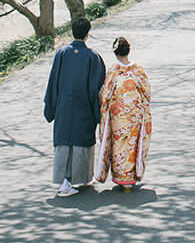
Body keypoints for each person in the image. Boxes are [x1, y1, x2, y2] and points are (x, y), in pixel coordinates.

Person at [43, 16, 106, 197]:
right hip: (83, 106)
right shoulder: (93, 57)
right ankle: (69, 181)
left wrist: (51, 105)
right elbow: (98, 88)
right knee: (81, 140)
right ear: (87, 34)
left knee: (65, 140)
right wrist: (99, 113)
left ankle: (71, 180)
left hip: (64, 106)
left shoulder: (62, 53)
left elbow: (53, 81)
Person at [95, 36, 152, 191]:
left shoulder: (113, 71)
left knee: (119, 146)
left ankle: (121, 177)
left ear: (115, 53)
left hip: (118, 116)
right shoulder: (138, 70)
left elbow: (105, 95)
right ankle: (131, 176)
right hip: (135, 116)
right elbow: (147, 92)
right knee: (132, 145)